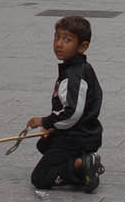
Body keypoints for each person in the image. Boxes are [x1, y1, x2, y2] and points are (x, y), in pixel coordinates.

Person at [26, 16, 104, 192]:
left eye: (67, 40)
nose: (59, 44)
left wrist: (45, 122)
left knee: (40, 178)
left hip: (77, 137)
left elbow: (72, 113)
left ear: (82, 46)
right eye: (57, 37)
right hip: (83, 132)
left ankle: (79, 166)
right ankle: (81, 161)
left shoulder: (74, 75)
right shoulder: (77, 68)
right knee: (44, 144)